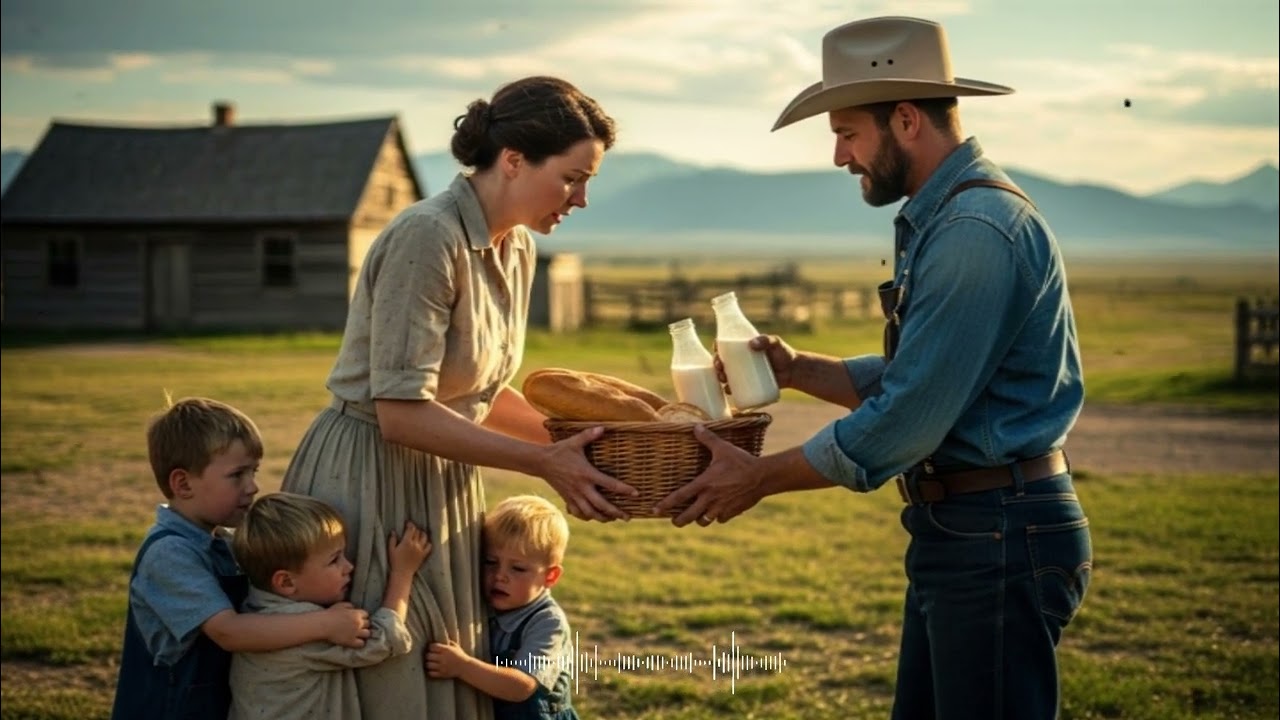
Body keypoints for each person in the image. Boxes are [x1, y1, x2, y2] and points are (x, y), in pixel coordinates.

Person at [656, 16, 1093, 720]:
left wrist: (760, 477)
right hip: (972, 529)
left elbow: (910, 417)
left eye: (848, 133)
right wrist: (797, 369)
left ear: (907, 120)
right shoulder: (951, 217)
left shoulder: (973, 232)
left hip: (998, 531)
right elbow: (924, 377)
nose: (839, 156)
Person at [280, 75, 631, 720]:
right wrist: (544, 464)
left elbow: (480, 393)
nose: (581, 199)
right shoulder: (427, 235)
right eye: (572, 179)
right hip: (371, 472)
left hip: (447, 476)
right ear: (514, 160)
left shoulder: (517, 246)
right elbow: (400, 412)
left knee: (448, 669)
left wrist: (585, 451)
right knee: (392, 671)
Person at [110, 397, 371, 720]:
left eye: (253, 471)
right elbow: (228, 631)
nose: (253, 487)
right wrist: (326, 625)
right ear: (183, 483)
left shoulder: (224, 542)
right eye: (237, 475)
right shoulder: (169, 554)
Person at [228, 492, 432, 720]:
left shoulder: (252, 608)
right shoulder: (303, 626)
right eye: (334, 560)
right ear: (286, 582)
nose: (349, 566)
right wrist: (403, 572)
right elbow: (382, 640)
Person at [425, 494, 580, 720]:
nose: (499, 576)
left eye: (518, 568)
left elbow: (522, 687)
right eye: (491, 562)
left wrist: (462, 666)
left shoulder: (547, 622)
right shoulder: (480, 604)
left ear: (550, 576)